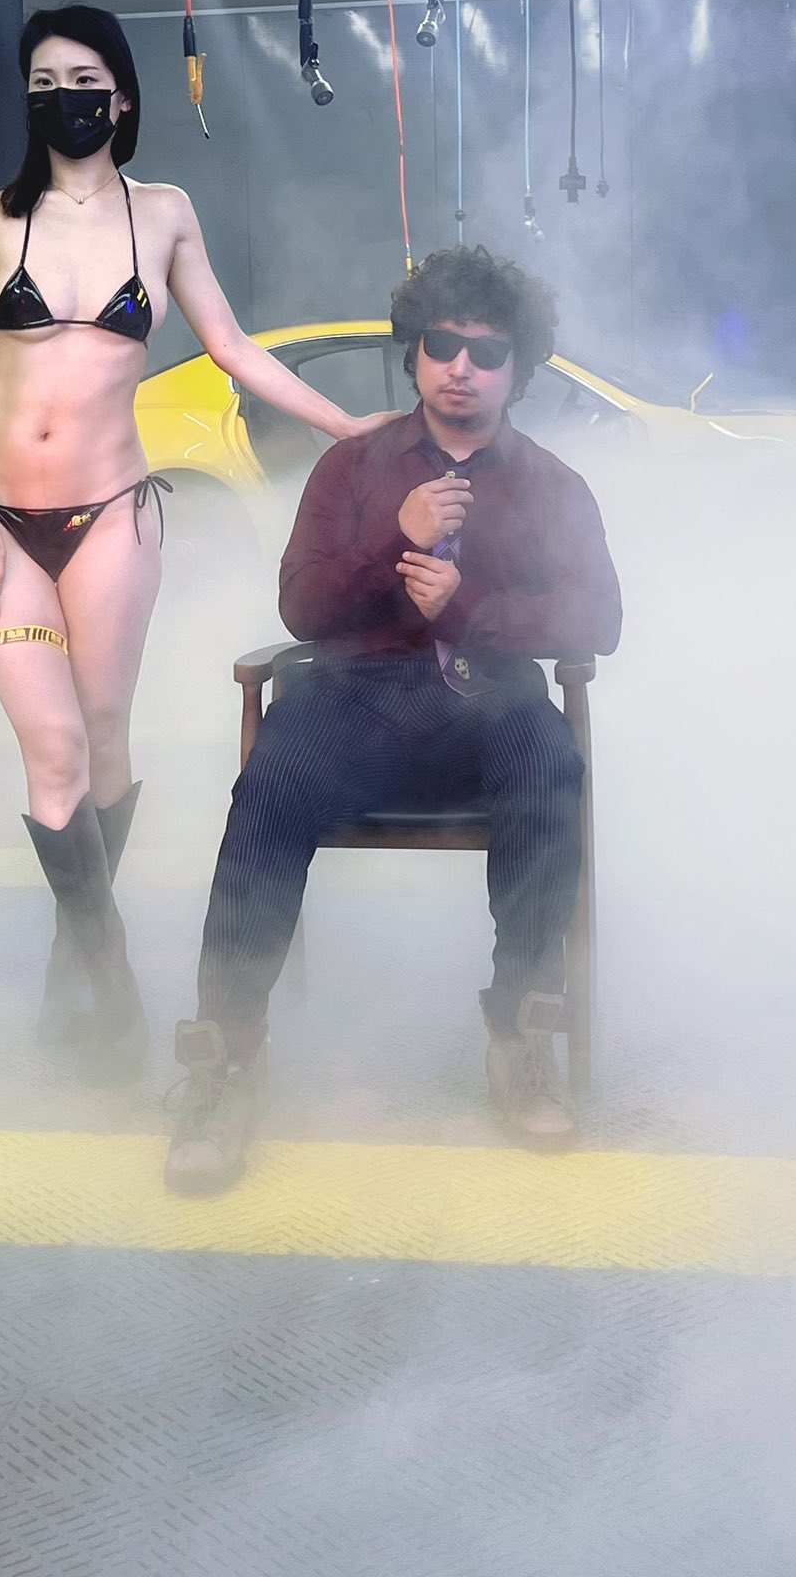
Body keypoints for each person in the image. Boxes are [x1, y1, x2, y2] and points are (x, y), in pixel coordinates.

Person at [0, 4, 392, 1081]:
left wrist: (340, 424)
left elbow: (232, 346)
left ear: (123, 97)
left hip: (112, 517)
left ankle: (71, 968)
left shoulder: (165, 213)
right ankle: (115, 983)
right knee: (52, 749)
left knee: (102, 736)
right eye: (45, 84)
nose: (65, 100)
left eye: (84, 81)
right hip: (6, 527)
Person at [164, 244, 623, 1193]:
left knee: (548, 766)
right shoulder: (351, 469)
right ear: (413, 352)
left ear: (519, 369)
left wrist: (468, 606)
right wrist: (393, 539)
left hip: (489, 702)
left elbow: (597, 621)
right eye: (443, 345)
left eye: (487, 352)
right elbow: (302, 609)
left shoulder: (550, 485)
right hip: (356, 697)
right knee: (275, 780)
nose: (461, 367)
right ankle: (227, 1056)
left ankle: (520, 1035)